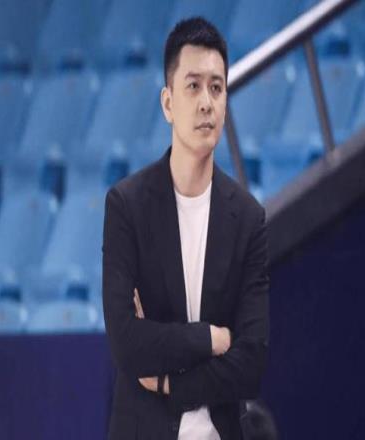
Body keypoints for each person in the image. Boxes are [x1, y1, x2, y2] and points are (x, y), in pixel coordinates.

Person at [102, 17, 270, 440]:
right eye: (193, 86)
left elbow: (251, 363)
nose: (206, 102)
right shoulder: (127, 206)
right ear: (168, 103)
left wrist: (169, 383)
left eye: (216, 87)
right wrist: (210, 339)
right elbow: (126, 343)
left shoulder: (248, 218)